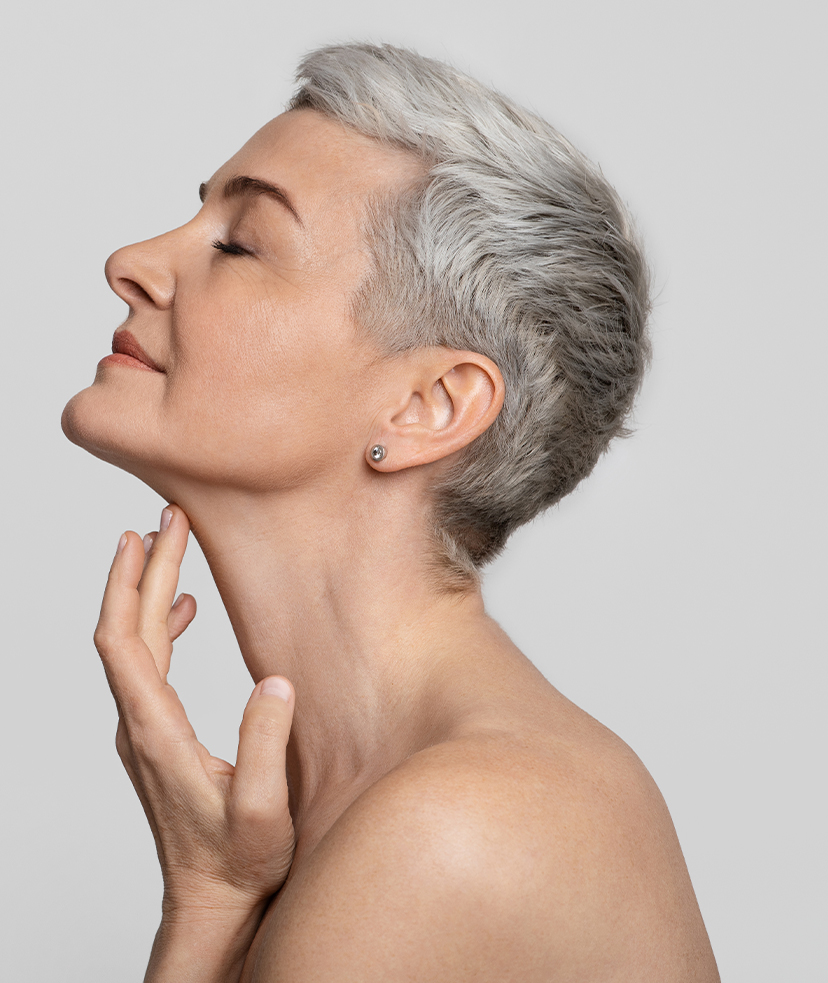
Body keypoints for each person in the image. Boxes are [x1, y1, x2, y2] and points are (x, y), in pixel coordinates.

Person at [62, 42, 720, 982]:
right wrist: (208, 900)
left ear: (429, 406)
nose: (130, 262)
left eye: (241, 242)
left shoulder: (448, 830)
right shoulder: (400, 795)